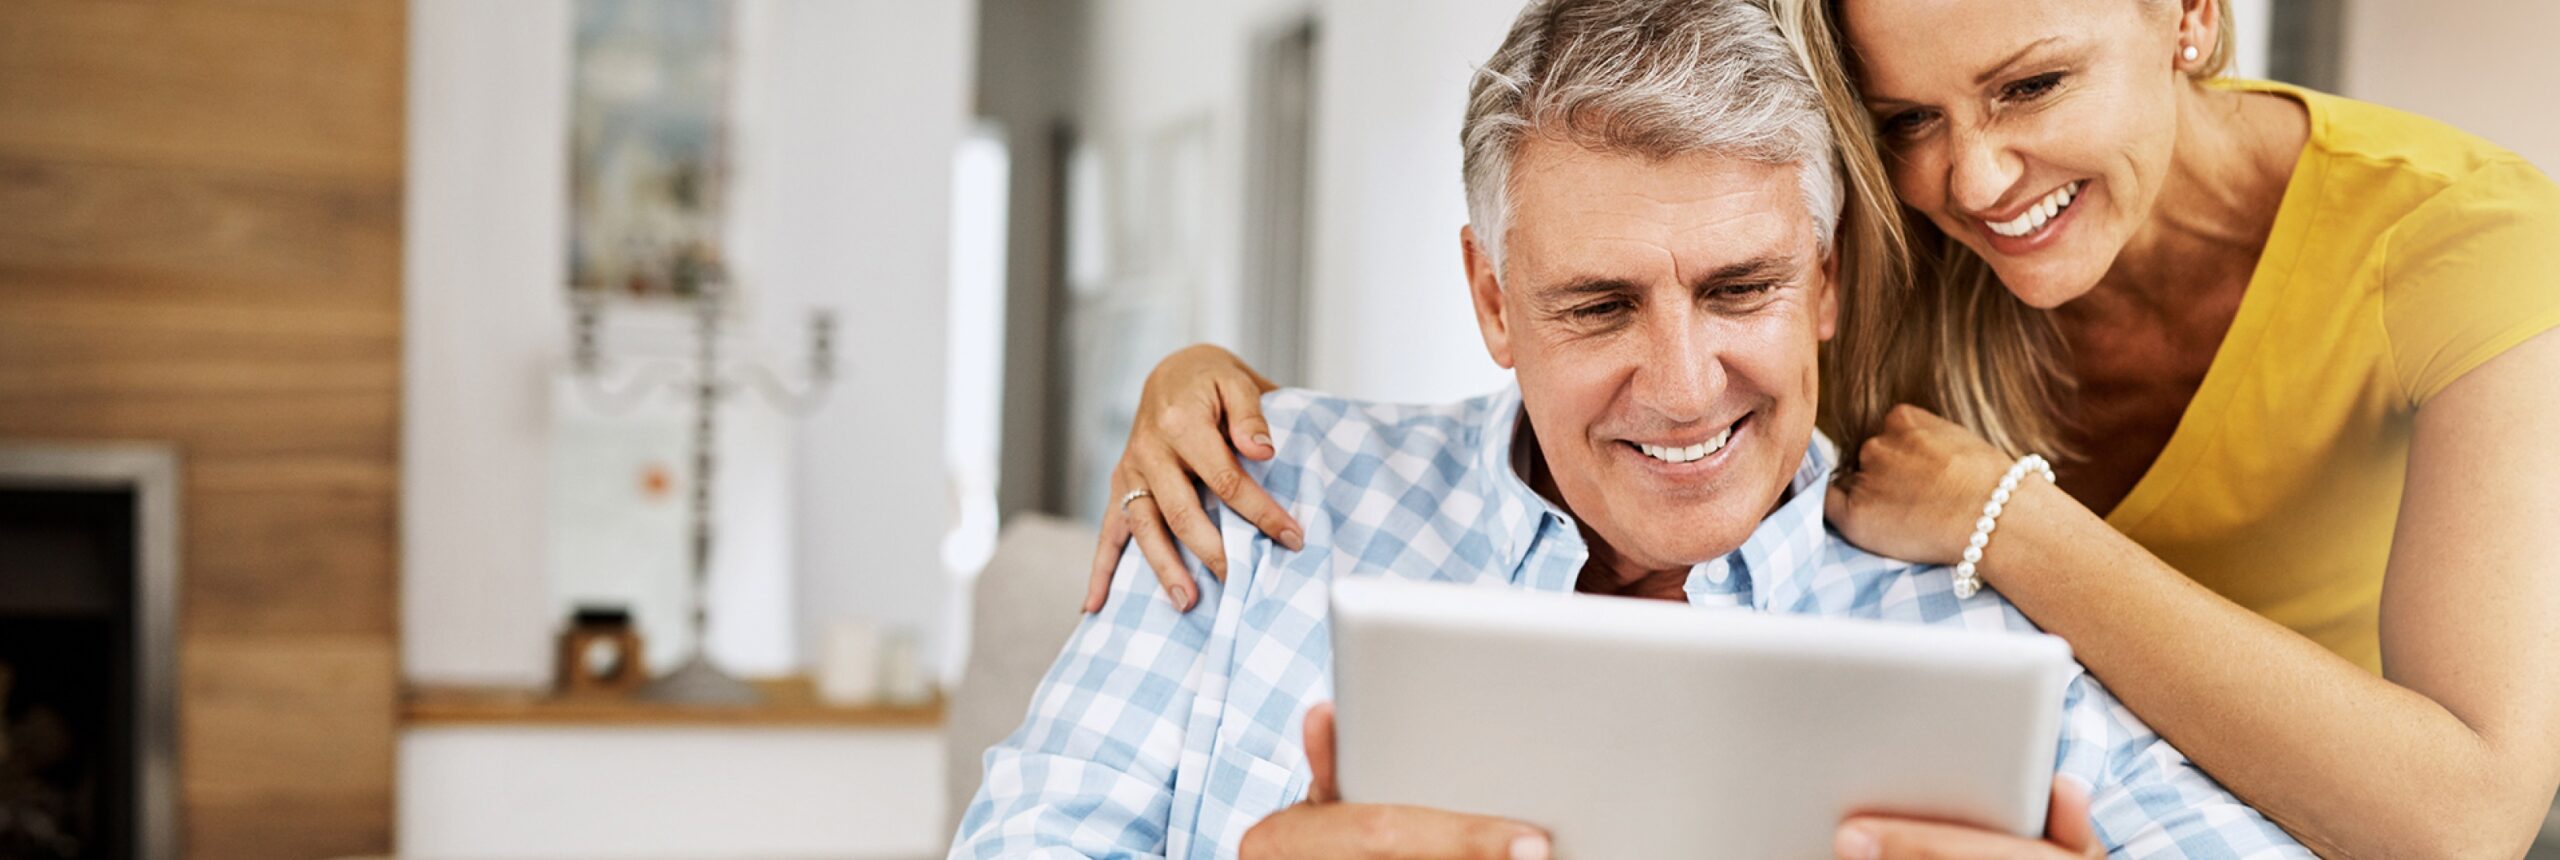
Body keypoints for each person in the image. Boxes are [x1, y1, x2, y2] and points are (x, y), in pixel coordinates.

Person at [1093, 0, 2560, 855]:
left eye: (2032, 85)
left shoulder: (2464, 248)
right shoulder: (1910, 237)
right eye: (1905, 118)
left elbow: (2472, 820)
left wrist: (2008, 525)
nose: (1976, 178)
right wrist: (1207, 385)